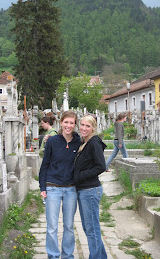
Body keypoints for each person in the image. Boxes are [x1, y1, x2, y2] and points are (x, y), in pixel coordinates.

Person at [39, 110, 81, 259]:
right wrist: (42, 187)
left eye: (71, 122)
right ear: (61, 123)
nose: (68, 125)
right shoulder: (51, 141)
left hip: (71, 189)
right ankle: (53, 255)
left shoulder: (79, 141)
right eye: (66, 122)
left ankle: (67, 255)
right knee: (52, 227)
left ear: (75, 124)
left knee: (69, 226)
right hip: (53, 187)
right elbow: (45, 165)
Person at [74, 114, 107, 259]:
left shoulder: (94, 142)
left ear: (93, 128)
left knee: (91, 229)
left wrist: (79, 176)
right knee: (89, 228)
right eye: (82, 125)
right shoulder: (84, 141)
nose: (84, 128)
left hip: (90, 190)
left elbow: (101, 166)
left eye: (88, 126)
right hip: (84, 190)